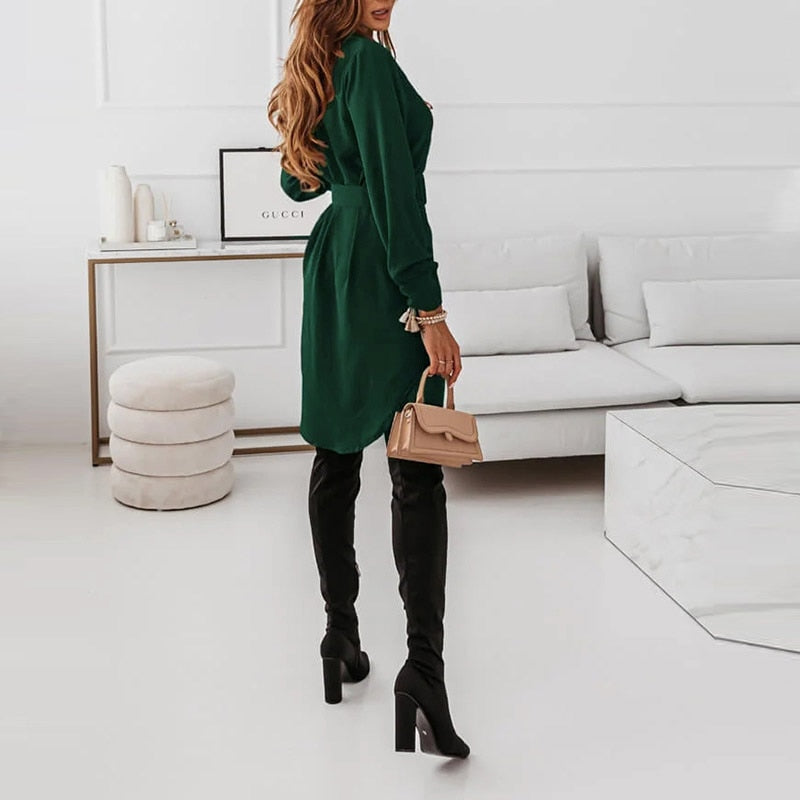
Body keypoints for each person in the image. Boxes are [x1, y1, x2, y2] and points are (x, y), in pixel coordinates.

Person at [267, 0, 469, 759]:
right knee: (416, 469)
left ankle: (340, 637)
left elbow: (296, 187)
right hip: (383, 272)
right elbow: (395, 191)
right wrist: (429, 309)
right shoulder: (371, 64)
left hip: (331, 264)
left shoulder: (323, 66)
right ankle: (424, 672)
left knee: (336, 453)